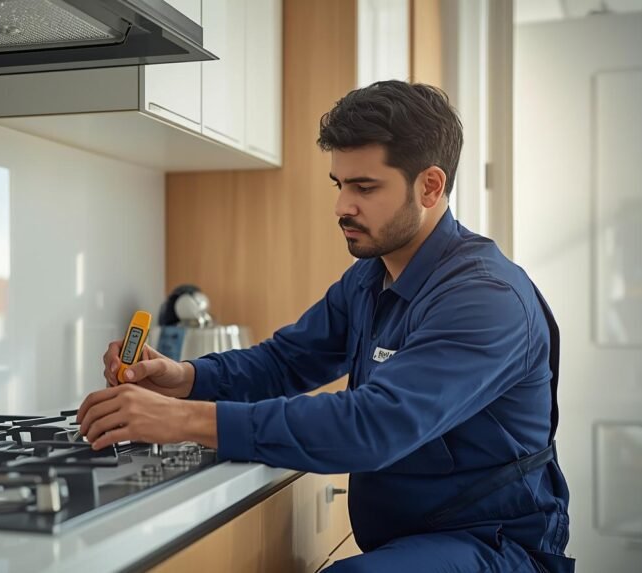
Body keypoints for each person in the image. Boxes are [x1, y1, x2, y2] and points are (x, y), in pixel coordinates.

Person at [77, 80, 574, 572]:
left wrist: (185, 421)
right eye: (340, 185)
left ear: (430, 185)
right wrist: (185, 378)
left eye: (364, 187)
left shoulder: (485, 297)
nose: (341, 207)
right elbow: (286, 360)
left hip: (496, 545)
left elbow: (374, 426)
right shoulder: (370, 278)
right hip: (413, 542)